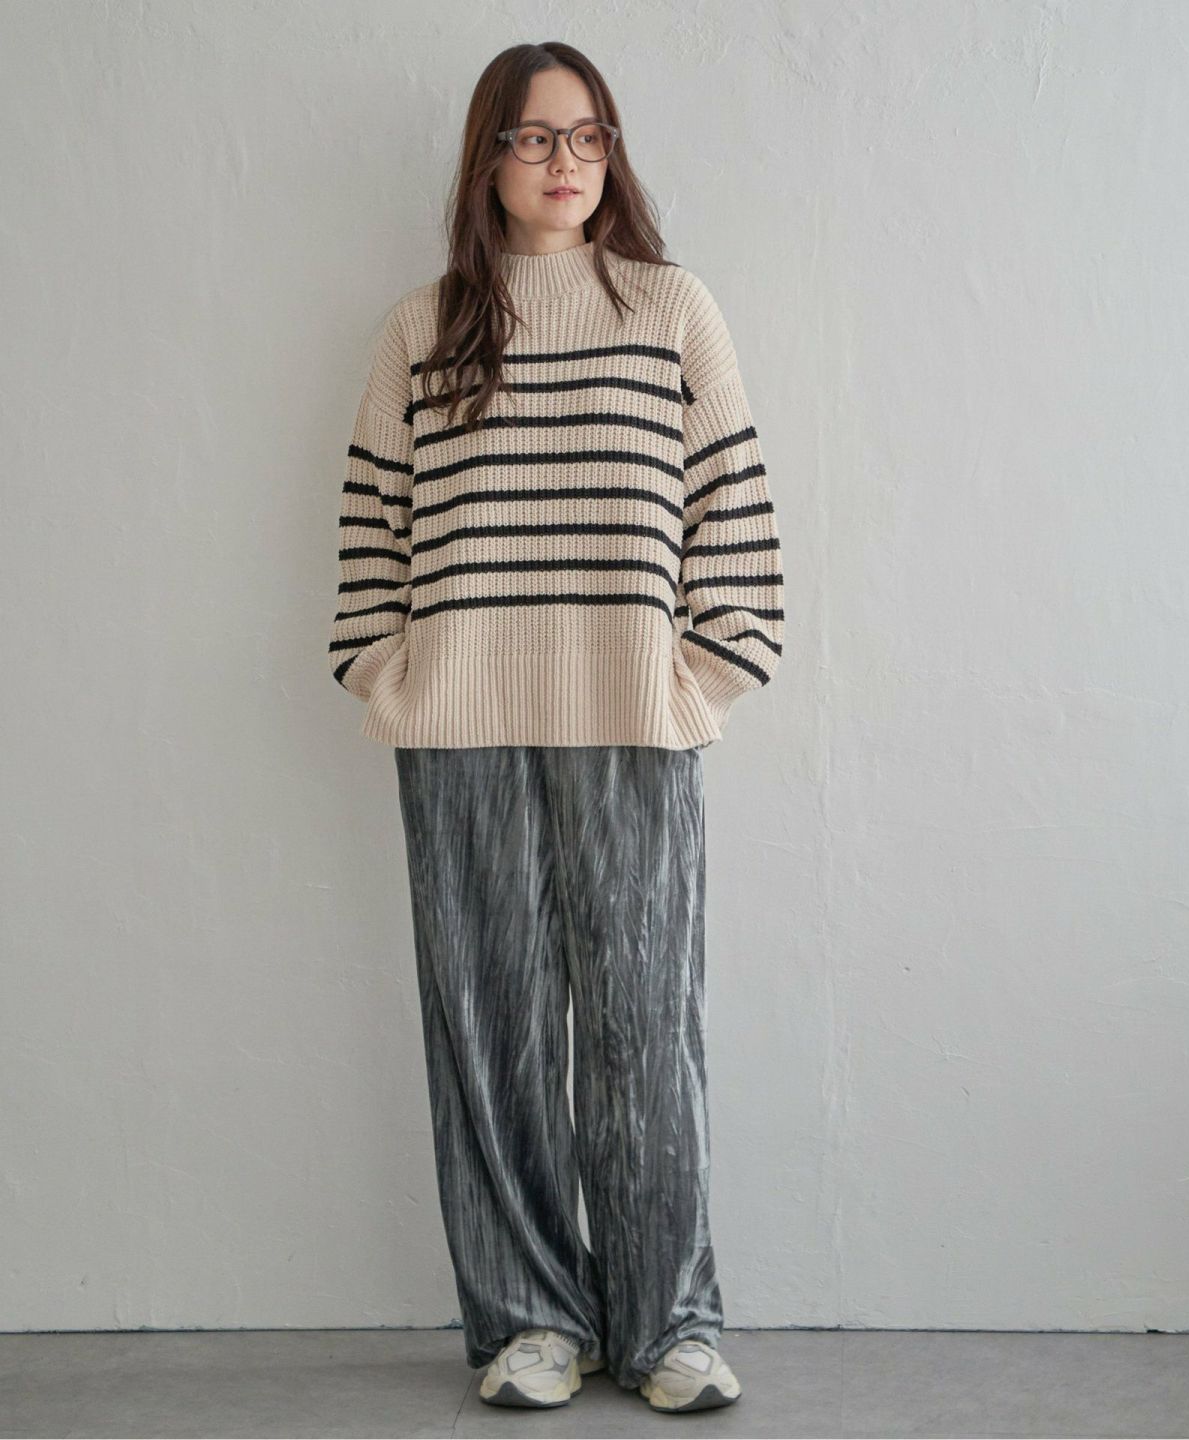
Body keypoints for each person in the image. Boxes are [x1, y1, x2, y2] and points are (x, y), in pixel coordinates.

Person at [328, 40, 784, 1415]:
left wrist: (703, 677)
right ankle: (529, 1319)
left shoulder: (669, 306)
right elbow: (371, 527)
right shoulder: (423, 327)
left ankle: (667, 1325)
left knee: (646, 1031)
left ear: (612, 153)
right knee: (494, 1036)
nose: (564, 161)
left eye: (588, 136)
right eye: (533, 137)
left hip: (635, 721)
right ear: (488, 158)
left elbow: (736, 515)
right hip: (458, 729)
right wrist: (386, 670)